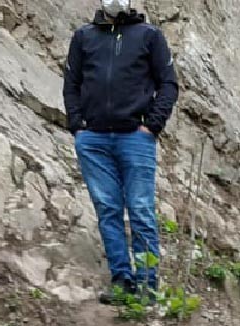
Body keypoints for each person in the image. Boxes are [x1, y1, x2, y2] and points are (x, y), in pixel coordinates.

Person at [63, 0, 178, 302]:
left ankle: (147, 287)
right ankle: (122, 281)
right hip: (94, 140)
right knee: (107, 209)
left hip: (135, 137)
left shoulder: (149, 36)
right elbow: (71, 84)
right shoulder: (83, 37)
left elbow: (168, 84)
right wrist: (78, 126)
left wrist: (152, 126)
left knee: (140, 210)